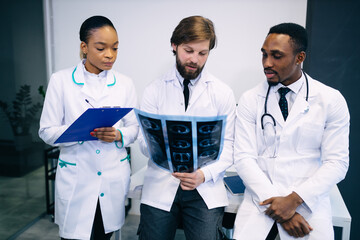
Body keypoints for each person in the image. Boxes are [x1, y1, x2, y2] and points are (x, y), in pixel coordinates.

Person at [232, 22, 350, 239]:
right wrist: (282, 209)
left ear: (300, 58)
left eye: (276, 56)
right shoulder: (250, 99)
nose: (267, 63)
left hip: (307, 205)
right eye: (264, 54)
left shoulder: (331, 100)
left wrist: (294, 200)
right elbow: (243, 159)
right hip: (262, 202)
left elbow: (337, 163)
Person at [39, 15, 138, 240]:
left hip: (112, 177)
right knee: (74, 236)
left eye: (115, 48)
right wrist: (79, 132)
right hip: (77, 179)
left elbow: (134, 128)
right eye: (101, 48)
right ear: (84, 47)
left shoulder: (125, 83)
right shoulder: (61, 81)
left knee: (104, 234)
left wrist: (118, 134)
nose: (110, 55)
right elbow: (46, 130)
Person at [137, 16, 236, 240]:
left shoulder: (222, 93)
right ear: (175, 45)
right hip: (162, 182)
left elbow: (229, 145)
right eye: (188, 50)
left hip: (205, 186)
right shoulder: (154, 90)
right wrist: (157, 146)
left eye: (202, 53)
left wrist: (203, 174)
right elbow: (143, 142)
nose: (194, 59)